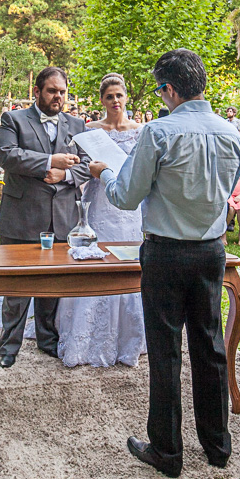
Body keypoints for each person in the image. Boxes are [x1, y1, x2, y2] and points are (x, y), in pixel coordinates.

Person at [88, 49, 240, 479]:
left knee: (165, 350)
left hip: (166, 251)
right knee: (210, 347)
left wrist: (103, 171)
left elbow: (125, 196)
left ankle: (167, 449)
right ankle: (217, 445)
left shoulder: (158, 132)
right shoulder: (231, 133)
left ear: (170, 89)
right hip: (211, 249)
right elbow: (228, 189)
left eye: (160, 89)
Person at [0, 66, 90, 368]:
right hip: (22, 215)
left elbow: (88, 164)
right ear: (37, 92)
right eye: (52, 91)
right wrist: (49, 160)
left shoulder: (76, 124)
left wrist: (65, 174)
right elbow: (7, 155)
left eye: (62, 91)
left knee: (53, 285)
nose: (58, 96)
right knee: (16, 287)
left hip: (62, 216)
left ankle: (48, 339)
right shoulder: (14, 119)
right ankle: (9, 346)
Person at [55, 73, 146, 368]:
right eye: (109, 97)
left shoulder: (141, 131)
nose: (115, 101)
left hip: (131, 207)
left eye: (119, 95)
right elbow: (78, 166)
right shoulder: (90, 131)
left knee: (130, 262)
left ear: (126, 97)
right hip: (100, 202)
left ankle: (131, 335)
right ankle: (87, 332)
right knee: (97, 258)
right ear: (102, 101)